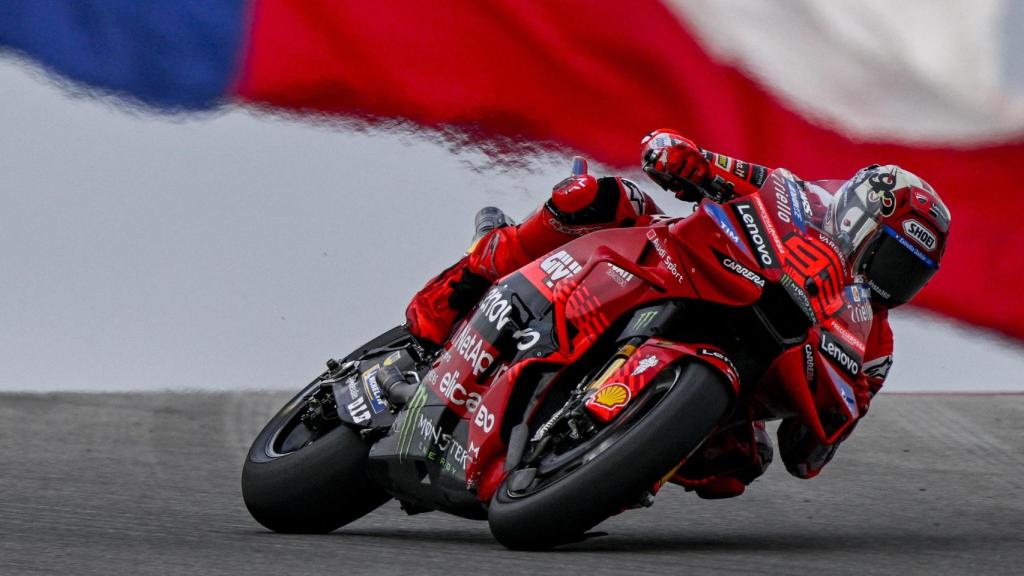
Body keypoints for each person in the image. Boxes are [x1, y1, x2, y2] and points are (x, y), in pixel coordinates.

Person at [398, 128, 951, 499]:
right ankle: (488, 260)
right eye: (892, 259)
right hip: (681, 267)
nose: (892, 283)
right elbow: (715, 169)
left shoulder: (876, 346)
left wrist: (825, 427)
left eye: (909, 275)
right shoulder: (796, 196)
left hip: (739, 375)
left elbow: (807, 456)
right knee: (595, 197)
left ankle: (593, 465)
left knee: (736, 469)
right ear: (859, 219)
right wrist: (681, 158)